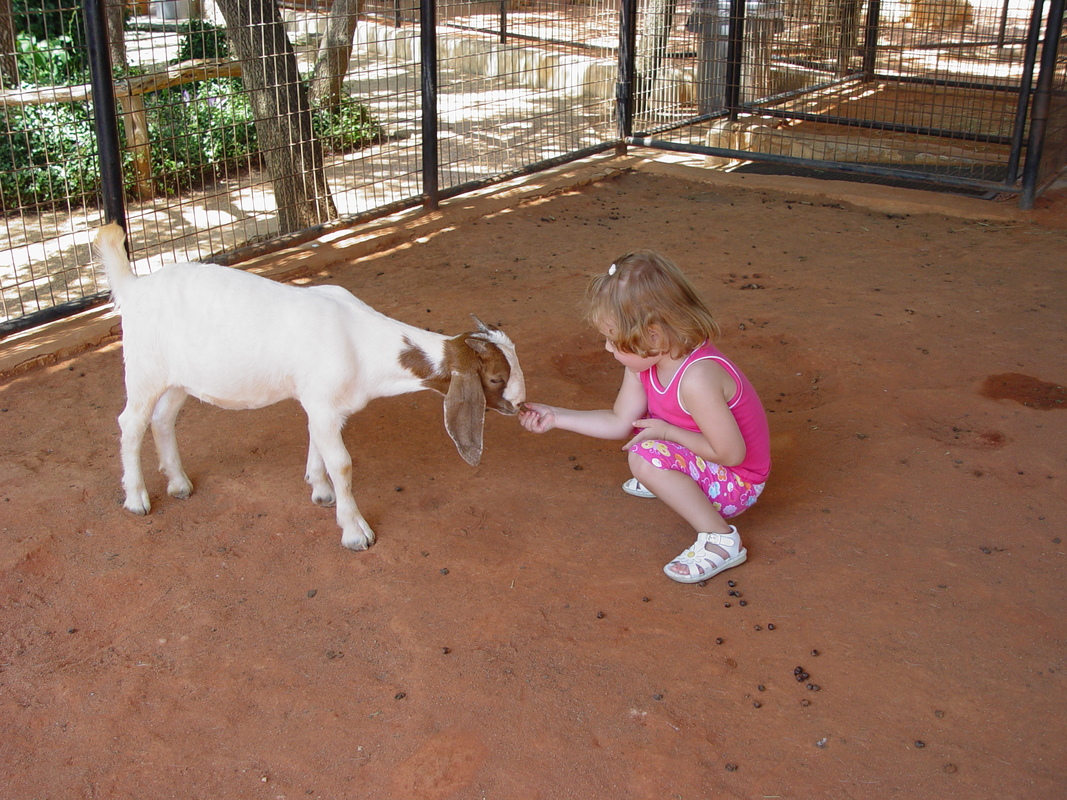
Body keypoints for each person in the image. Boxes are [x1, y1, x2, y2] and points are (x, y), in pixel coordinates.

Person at [519, 250, 771, 583]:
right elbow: (620, 421)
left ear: (652, 336)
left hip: (739, 482)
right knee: (649, 449)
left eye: (613, 339)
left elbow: (731, 454)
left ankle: (721, 538)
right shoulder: (645, 364)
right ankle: (674, 476)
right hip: (708, 459)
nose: (608, 348)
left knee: (645, 457)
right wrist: (556, 417)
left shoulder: (696, 379)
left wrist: (667, 433)